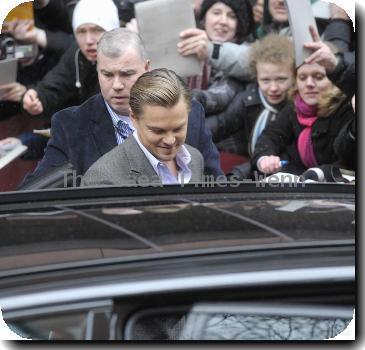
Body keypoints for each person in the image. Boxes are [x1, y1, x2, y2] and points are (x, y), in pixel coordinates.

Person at [19, 28, 222, 188]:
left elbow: (214, 183)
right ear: (97, 70)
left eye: (126, 74)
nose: (116, 85)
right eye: (107, 75)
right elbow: (39, 191)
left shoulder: (189, 112)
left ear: (146, 67)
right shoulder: (72, 125)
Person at [83, 68, 204, 186]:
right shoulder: (102, 178)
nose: (170, 140)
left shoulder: (195, 159)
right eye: (158, 131)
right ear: (133, 118)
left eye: (178, 129)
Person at [251, 60, 354, 177]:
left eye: (319, 77)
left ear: (335, 79)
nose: (309, 83)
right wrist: (264, 159)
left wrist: (320, 173)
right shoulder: (293, 109)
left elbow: (349, 160)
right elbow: (270, 136)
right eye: (302, 77)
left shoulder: (348, 110)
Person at [21, 0, 120, 118]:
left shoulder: (127, 58)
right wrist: (37, 97)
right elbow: (56, 83)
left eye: (97, 30)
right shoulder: (77, 53)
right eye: (81, 31)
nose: (88, 40)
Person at [208, 34, 294, 162]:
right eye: (265, 80)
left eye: (281, 79)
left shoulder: (297, 109)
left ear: (294, 76)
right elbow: (220, 125)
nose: (273, 88)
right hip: (252, 166)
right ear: (256, 77)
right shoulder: (248, 101)